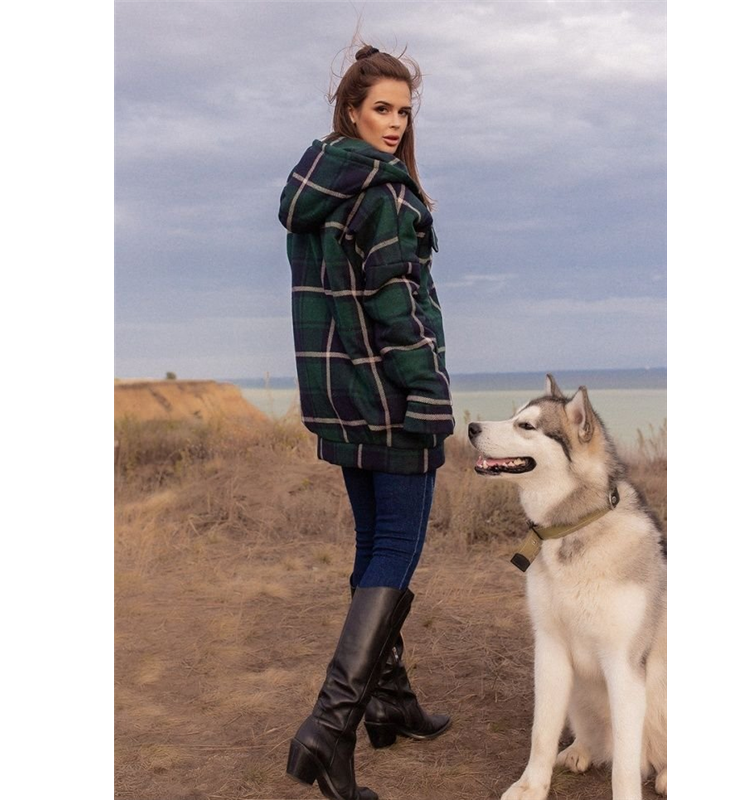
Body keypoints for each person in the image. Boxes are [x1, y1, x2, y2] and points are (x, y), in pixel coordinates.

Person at [278, 42, 455, 800]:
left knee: (371, 544)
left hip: (339, 402)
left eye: (404, 112)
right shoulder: (385, 194)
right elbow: (397, 308)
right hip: (391, 402)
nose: (394, 124)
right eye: (381, 108)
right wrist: (430, 397)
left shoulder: (315, 191)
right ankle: (329, 727)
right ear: (350, 111)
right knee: (395, 551)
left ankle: (388, 697)